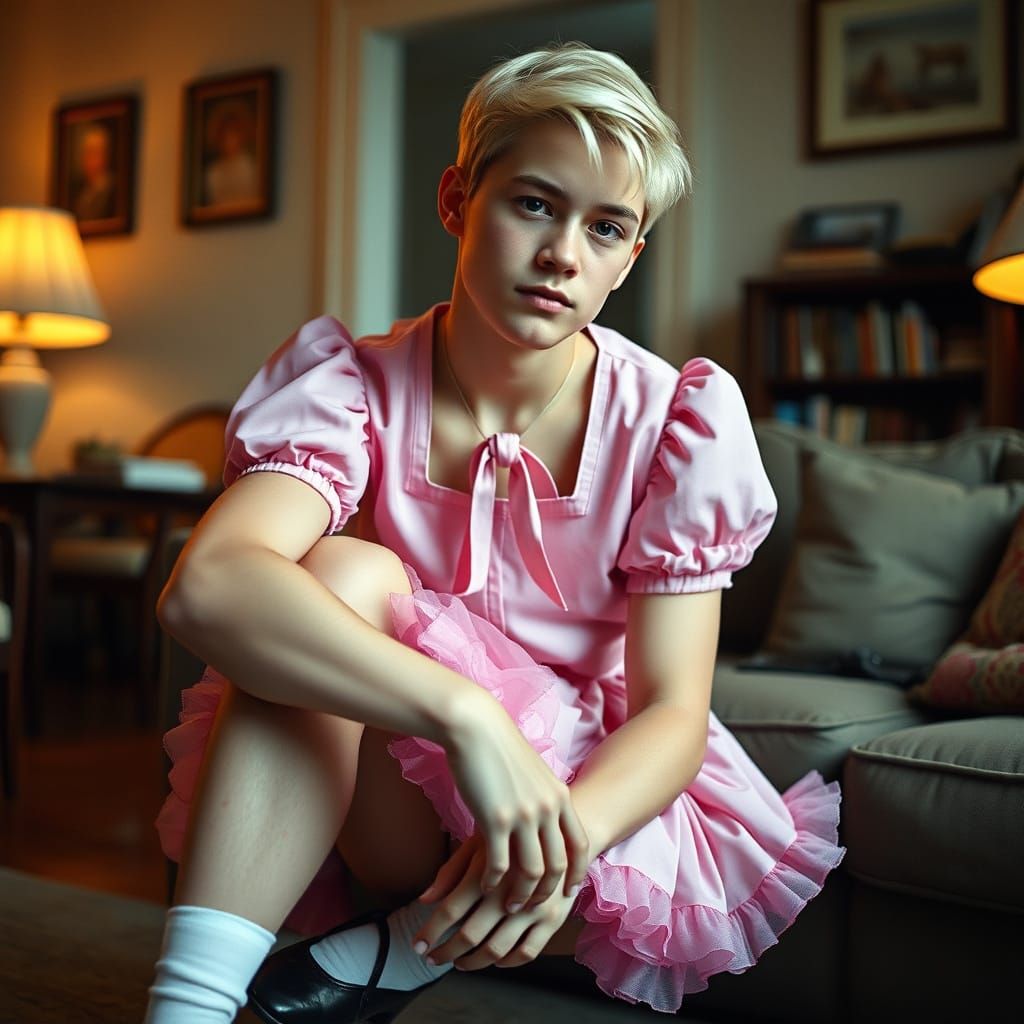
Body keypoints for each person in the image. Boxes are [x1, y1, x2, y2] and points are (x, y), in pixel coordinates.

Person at [143, 42, 845, 1024]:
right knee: (343, 570)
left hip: (566, 814)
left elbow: (672, 715)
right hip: (402, 775)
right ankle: (187, 1007)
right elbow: (206, 588)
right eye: (533, 204)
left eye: (606, 229)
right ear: (455, 199)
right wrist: (465, 718)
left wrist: (571, 835)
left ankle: (407, 944)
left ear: (629, 257)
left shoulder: (676, 421)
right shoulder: (350, 384)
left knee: (600, 785)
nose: (564, 253)